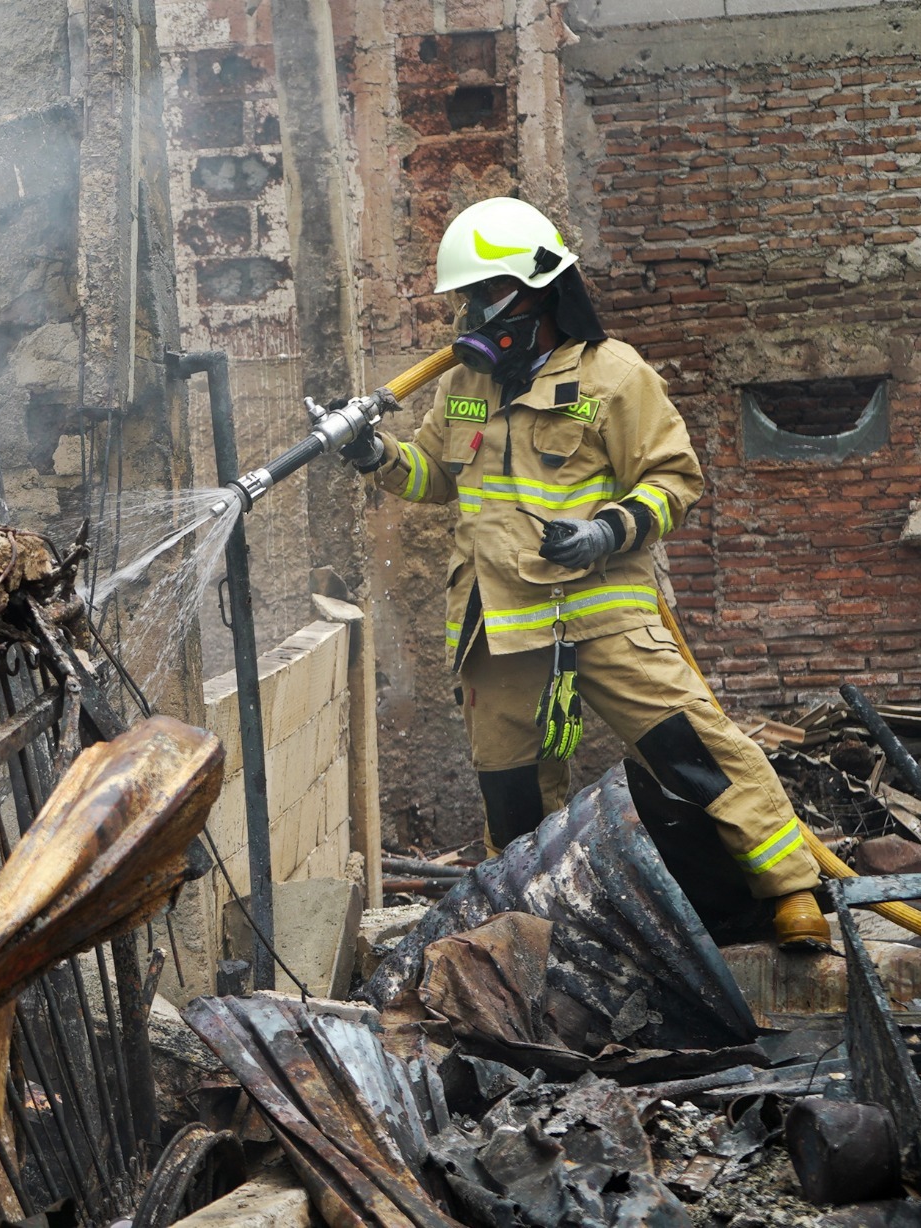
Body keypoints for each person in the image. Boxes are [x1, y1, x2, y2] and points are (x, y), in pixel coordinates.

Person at [340, 196, 828, 949]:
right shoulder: (465, 384)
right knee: (514, 800)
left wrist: (606, 531)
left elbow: (675, 480)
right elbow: (436, 477)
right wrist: (378, 458)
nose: (472, 312)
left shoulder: (613, 375)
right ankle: (529, 930)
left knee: (695, 750)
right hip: (496, 625)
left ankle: (793, 892)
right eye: (465, 298)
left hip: (600, 610)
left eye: (484, 293)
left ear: (539, 289)